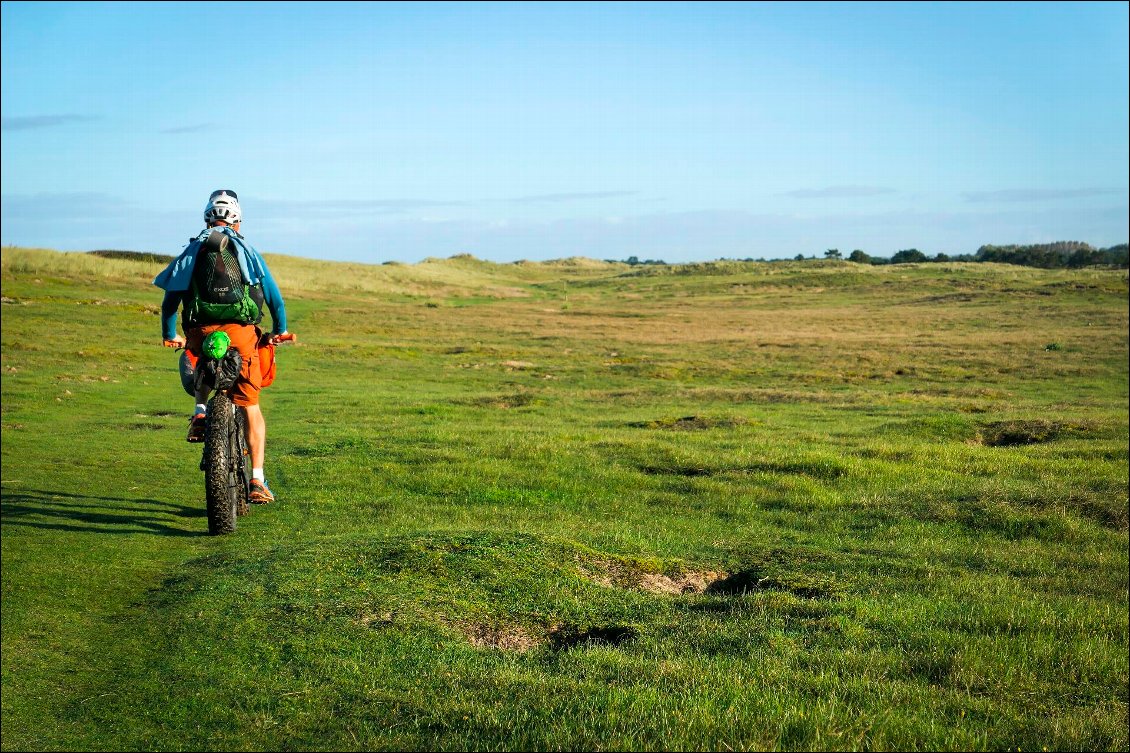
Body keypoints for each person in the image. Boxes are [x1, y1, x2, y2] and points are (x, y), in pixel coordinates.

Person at [153, 190, 289, 504]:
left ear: (206, 218)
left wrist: (170, 333)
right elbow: (275, 300)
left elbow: (170, 302)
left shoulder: (194, 251)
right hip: (241, 334)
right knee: (250, 404)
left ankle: (200, 412)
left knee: (200, 357)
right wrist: (280, 330)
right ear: (238, 222)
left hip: (200, 330)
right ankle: (257, 479)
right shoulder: (247, 252)